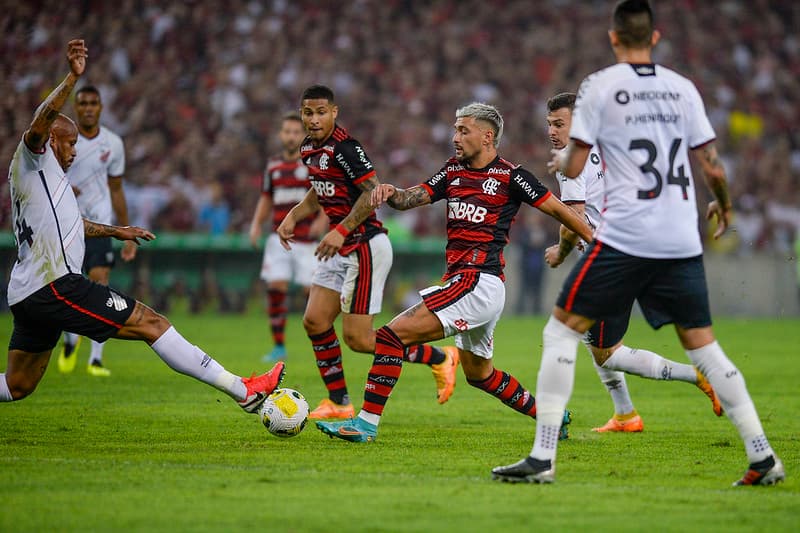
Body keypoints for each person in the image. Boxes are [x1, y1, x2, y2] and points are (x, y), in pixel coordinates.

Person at [492, 0, 784, 486]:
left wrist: (560, 166)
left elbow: (575, 164)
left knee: (560, 333)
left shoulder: (600, 87)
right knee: (705, 349)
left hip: (627, 238)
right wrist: (724, 204)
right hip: (681, 237)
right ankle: (763, 456)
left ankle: (542, 460)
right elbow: (711, 163)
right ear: (656, 37)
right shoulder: (682, 88)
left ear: (613, 38)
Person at [2, 39, 285, 419]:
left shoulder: (50, 181)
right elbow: (40, 121)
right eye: (70, 145)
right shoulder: (32, 159)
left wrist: (116, 231)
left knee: (17, 385)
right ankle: (243, 390)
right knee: (152, 323)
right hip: (54, 285)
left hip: (29, 290)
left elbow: (69, 225)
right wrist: (72, 78)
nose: (73, 153)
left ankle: (242, 391)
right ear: (51, 140)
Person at [315, 102, 594, 443]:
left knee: (390, 337)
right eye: (454, 130)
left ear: (487, 136)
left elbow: (558, 209)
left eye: (463, 131)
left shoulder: (511, 176)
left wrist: (596, 241)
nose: (455, 137)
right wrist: (390, 193)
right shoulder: (453, 171)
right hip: (469, 284)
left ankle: (365, 425)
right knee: (479, 375)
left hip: (478, 281)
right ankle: (551, 416)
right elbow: (411, 198)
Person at [276, 85, 459, 420]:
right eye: (307, 112)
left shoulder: (346, 147)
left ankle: (439, 358)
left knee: (359, 340)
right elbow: (320, 191)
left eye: (320, 112)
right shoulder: (307, 149)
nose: (313, 120)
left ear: (334, 112)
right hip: (339, 246)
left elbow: (372, 192)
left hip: (364, 245)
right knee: (315, 321)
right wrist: (294, 214)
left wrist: (341, 229)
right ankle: (339, 403)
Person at [543, 91, 721, 432]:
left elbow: (572, 219)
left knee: (603, 349)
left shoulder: (571, 158)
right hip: (636, 248)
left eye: (559, 123)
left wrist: (560, 252)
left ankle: (697, 375)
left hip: (610, 260)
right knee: (591, 339)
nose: (552, 131)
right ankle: (625, 414)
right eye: (549, 124)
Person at [56, 85, 136, 377]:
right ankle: (70, 341)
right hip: (67, 224)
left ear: (101, 108)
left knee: (100, 286)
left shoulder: (113, 143)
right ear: (76, 108)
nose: (89, 108)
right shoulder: (63, 139)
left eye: (93, 103)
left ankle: (96, 359)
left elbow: (116, 189)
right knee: (68, 286)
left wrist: (125, 231)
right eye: (83, 103)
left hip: (101, 225)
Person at [249, 112, 328, 363]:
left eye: (296, 132)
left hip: (306, 240)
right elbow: (266, 198)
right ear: (281, 135)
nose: (291, 136)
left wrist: (322, 220)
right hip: (278, 239)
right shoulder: (273, 165)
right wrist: (255, 225)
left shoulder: (312, 163)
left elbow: (326, 194)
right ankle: (279, 346)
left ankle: (324, 341)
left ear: (302, 135)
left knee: (311, 293)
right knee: (275, 288)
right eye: (287, 131)